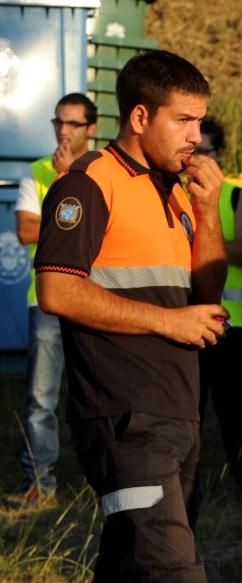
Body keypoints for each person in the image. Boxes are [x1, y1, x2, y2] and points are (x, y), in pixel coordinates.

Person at [34, 50, 226, 583]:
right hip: (123, 419)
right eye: (185, 121)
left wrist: (207, 211)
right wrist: (168, 321)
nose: (198, 138)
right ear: (141, 117)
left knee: (131, 570)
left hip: (178, 411)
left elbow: (208, 298)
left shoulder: (176, 191)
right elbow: (57, 288)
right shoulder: (88, 184)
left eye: (201, 122)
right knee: (174, 582)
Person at [13, 92, 96, 505]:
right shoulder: (38, 171)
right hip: (45, 300)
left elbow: (102, 233)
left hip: (96, 298)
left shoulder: (102, 170)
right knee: (42, 398)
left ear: (91, 129)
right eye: (59, 123)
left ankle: (102, 479)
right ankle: (39, 482)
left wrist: (70, 181)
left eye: (73, 124)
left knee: (97, 393)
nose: (64, 131)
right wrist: (62, 182)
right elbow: (27, 232)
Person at [195, 116, 242, 505]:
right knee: (188, 407)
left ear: (220, 154)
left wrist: (201, 240)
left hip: (235, 322)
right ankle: (183, 482)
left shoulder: (238, 196)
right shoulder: (173, 193)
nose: (197, 160)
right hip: (189, 320)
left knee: (234, 406)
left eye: (205, 152)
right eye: (192, 151)